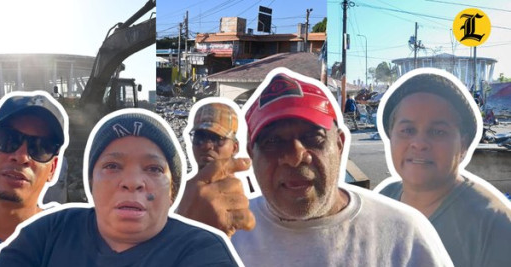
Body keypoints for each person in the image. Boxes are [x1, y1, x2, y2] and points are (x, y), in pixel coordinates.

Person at [180, 68, 453, 266]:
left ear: (340, 144)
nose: (295, 156)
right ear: (252, 154)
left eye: (313, 138)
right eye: (274, 142)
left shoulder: (404, 236)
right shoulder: (221, 233)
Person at [0, 109, 240, 267]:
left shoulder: (201, 251)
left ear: (172, 189)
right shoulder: (48, 234)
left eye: (153, 168)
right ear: (91, 184)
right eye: (112, 165)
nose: (132, 181)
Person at [374, 68, 511, 267]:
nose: (419, 143)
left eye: (438, 131)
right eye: (407, 130)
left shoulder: (493, 225)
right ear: (391, 137)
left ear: (463, 144)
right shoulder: (385, 200)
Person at [0, 91, 67, 266]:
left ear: (53, 169)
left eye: (40, 147)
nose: (21, 156)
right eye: (8, 139)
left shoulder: (73, 247)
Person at [177, 99, 255, 236]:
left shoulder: (251, 198)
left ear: (235, 148)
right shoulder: (177, 198)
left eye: (217, 138)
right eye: (199, 138)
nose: (206, 146)